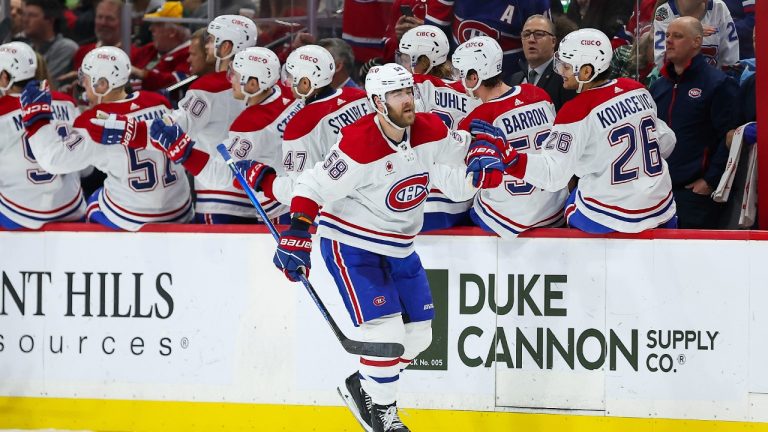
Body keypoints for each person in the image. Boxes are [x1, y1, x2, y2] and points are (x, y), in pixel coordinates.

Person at [270, 63, 471, 432]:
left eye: (409, 91)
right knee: (386, 336)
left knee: (421, 337)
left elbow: (461, 155)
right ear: (378, 101)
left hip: (401, 246)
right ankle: (384, 414)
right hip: (352, 245)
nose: (408, 99)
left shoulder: (429, 129)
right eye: (398, 94)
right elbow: (312, 185)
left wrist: (486, 159)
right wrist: (298, 232)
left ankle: (362, 385)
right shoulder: (358, 143)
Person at [470, 28, 678, 234]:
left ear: (587, 71)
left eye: (567, 66)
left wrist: (511, 157)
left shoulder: (576, 110)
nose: (561, 71)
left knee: (568, 204)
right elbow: (668, 140)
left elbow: (554, 176)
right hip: (662, 206)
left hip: (613, 217)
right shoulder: (636, 88)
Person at [20, 46, 193, 231]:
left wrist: (36, 121)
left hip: (134, 217)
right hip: (180, 210)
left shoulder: (93, 120)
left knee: (93, 203)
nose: (82, 85)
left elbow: (54, 161)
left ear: (102, 84)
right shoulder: (158, 101)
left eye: (85, 79)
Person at [140, 47, 303, 224]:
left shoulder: (252, 124)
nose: (230, 79)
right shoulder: (287, 95)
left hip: (283, 212)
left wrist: (183, 151)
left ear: (253, 84)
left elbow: (221, 174)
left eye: (236, 75)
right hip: (303, 197)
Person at [453, 36, 567, 237]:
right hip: (555, 210)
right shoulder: (538, 94)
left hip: (509, 219)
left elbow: (464, 183)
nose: (458, 80)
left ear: (474, 77)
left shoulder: (474, 121)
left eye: (461, 74)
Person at [235, 45, 371, 208]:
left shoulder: (301, 125)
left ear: (305, 83)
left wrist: (264, 180)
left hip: (337, 216)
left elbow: (301, 191)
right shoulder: (360, 97)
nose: (287, 82)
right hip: (376, 198)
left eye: (292, 77)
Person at [651, 17, 738, 228]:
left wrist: (710, 180)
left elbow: (730, 137)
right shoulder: (658, 86)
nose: (669, 41)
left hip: (695, 195)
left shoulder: (718, 84)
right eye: (668, 35)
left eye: (678, 36)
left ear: (696, 42)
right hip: (658, 193)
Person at [396, 24, 482, 231]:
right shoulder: (471, 92)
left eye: (407, 58)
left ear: (424, 61)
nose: (402, 64)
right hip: (463, 204)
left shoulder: (414, 85)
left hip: (421, 203)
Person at [0, 41, 85, 229]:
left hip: (16, 216)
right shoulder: (68, 104)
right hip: (71, 210)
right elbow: (87, 168)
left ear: (5, 77)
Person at [425, 0, 552, 79]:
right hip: (456, 77)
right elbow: (431, 40)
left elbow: (544, 53)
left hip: (507, 83)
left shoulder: (535, 2)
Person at [509, 15, 576, 112]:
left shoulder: (565, 77)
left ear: (553, 41)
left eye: (539, 34)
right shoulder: (514, 80)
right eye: (526, 34)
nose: (531, 39)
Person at [653, 0, 739, 69]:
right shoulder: (664, 12)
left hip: (715, 84)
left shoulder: (719, 7)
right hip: (679, 82)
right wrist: (689, 30)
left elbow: (731, 59)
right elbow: (662, 61)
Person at [131, 1, 192, 92]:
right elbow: (131, 55)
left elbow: (177, 83)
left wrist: (141, 74)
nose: (150, 28)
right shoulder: (153, 49)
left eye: (158, 24)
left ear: (172, 32)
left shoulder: (190, 54)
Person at [21, 0, 78, 85]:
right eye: (24, 15)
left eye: (32, 15)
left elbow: (45, 85)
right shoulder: (26, 49)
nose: (25, 20)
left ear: (50, 20)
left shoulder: (65, 48)